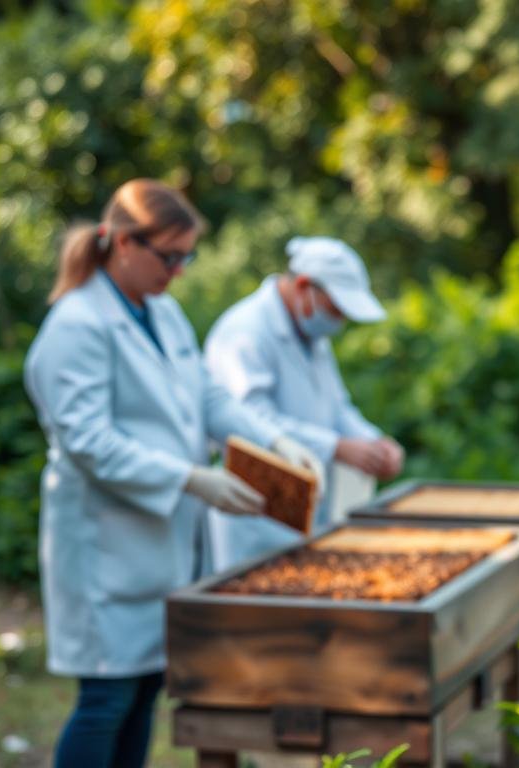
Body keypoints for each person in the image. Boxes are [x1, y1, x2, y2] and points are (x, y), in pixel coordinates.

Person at [23, 179, 323, 768]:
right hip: (104, 544)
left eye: (187, 257)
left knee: (144, 692)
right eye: (169, 256)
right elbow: (88, 441)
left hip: (160, 543)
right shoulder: (77, 324)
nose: (179, 271)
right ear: (123, 243)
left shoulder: (162, 312)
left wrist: (275, 440)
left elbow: (209, 397)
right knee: (106, 699)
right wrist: (190, 478)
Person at [204, 235, 403, 570]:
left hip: (306, 510)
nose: (338, 320)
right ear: (303, 287)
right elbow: (248, 420)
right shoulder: (244, 332)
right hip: (255, 521)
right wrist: (337, 447)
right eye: (334, 310)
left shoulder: (311, 335)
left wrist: (374, 442)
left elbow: (336, 406)